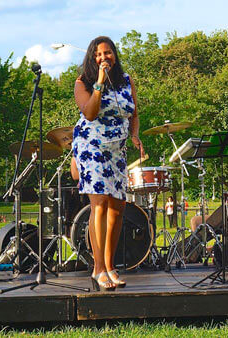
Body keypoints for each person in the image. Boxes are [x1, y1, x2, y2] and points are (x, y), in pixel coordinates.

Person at [72, 36, 144, 291]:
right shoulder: (83, 83)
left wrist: (135, 135)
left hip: (117, 151)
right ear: (92, 58)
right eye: (99, 54)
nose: (104, 57)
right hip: (91, 148)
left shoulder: (126, 81)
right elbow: (90, 112)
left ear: (115, 55)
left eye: (108, 53)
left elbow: (134, 113)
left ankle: (110, 266)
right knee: (99, 205)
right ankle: (98, 268)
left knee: (118, 208)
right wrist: (100, 83)